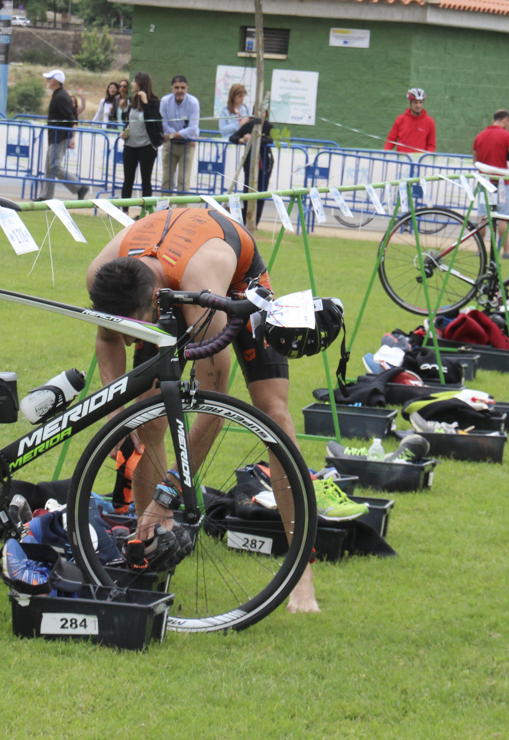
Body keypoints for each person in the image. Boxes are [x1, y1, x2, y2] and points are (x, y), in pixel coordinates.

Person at [85, 208, 320, 614]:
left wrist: (170, 491)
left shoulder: (199, 285)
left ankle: (301, 576)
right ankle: (152, 547)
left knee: (275, 416)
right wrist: (116, 417)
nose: (127, 341)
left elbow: (214, 407)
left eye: (133, 331)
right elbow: (107, 339)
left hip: (231, 287)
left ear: (154, 304)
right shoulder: (102, 275)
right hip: (161, 288)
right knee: (146, 417)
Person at [37, 69, 89, 202]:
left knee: (54, 166)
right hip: (56, 135)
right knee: (49, 166)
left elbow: (72, 117)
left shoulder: (60, 96)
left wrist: (72, 137)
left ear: (54, 81)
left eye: (49, 79)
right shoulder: (60, 95)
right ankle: (46, 196)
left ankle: (79, 187)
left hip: (59, 136)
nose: (47, 81)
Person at [472, 109, 509, 255]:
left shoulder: (479, 136)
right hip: (502, 182)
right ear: (505, 120)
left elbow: (475, 161)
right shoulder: (507, 136)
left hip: (484, 181)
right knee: (503, 218)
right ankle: (506, 250)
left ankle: (480, 250)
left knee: (482, 216)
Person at [119, 71, 163, 212]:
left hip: (147, 147)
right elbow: (129, 121)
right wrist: (125, 131)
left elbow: (152, 122)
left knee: (146, 180)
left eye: (134, 82)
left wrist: (146, 103)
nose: (131, 84)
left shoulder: (154, 102)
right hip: (130, 145)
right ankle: (124, 211)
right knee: (128, 180)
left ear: (141, 84)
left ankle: (145, 212)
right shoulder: (132, 100)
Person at [228, 102, 274, 226]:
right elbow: (233, 137)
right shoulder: (249, 125)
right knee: (247, 192)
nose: (260, 114)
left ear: (266, 113)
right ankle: (244, 223)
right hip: (249, 163)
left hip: (264, 164)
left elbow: (270, 139)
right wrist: (242, 139)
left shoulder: (269, 127)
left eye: (263, 111)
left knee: (261, 192)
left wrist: (255, 139)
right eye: (257, 111)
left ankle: (255, 224)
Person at [159, 75, 200, 195]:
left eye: (182, 87)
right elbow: (163, 125)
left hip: (188, 145)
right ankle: (164, 212)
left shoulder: (193, 102)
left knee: (183, 181)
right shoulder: (165, 101)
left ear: (187, 88)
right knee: (167, 181)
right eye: (176, 87)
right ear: (171, 88)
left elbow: (192, 129)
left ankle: (182, 212)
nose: (179, 90)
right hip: (169, 145)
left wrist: (172, 135)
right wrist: (179, 135)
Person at [383, 88, 435, 154]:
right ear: (410, 103)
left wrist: (427, 158)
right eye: (415, 102)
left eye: (420, 102)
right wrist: (384, 153)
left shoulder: (429, 121)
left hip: (420, 161)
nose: (418, 105)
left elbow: (431, 145)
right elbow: (391, 140)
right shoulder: (401, 119)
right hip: (402, 160)